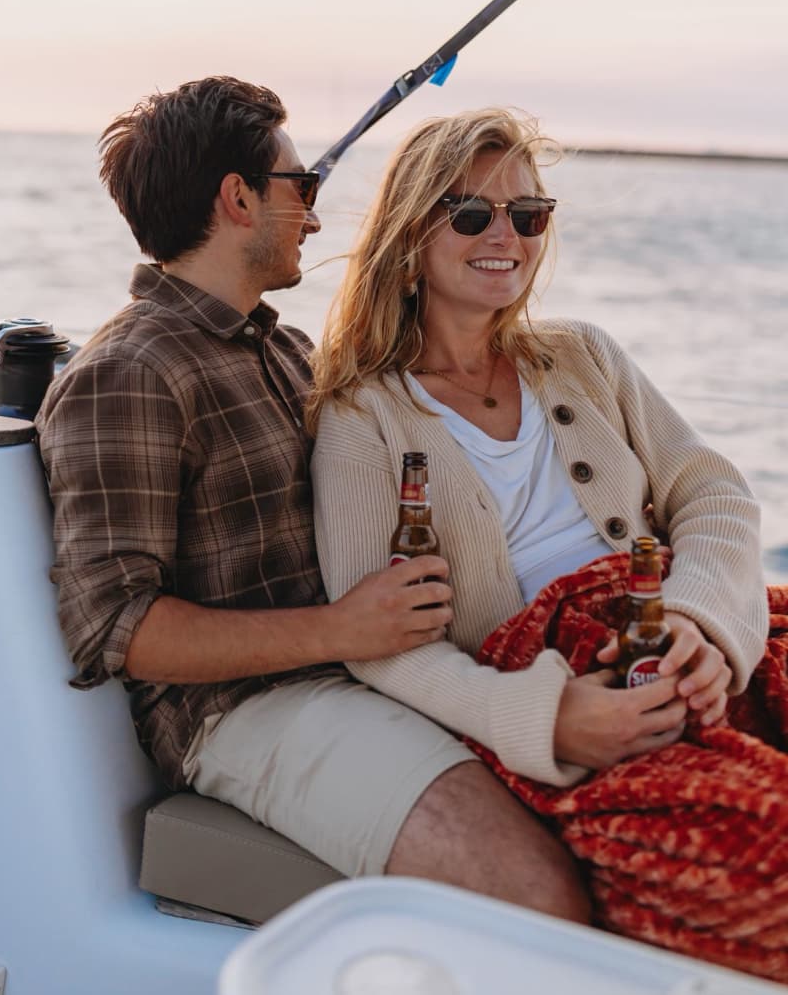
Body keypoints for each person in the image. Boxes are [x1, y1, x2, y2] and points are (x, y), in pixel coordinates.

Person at [36, 78, 589, 921]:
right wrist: (338, 630)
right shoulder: (128, 373)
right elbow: (115, 628)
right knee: (535, 891)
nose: (318, 216)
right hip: (249, 712)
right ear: (238, 199)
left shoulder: (286, 348)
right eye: (303, 187)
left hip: (373, 669)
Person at [310, 108, 768, 789]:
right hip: (569, 704)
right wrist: (542, 716)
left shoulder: (582, 353)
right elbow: (381, 645)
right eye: (470, 213)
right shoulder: (362, 416)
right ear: (409, 235)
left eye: (528, 214)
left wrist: (696, 618)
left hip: (674, 645)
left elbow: (715, 494)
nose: (506, 235)